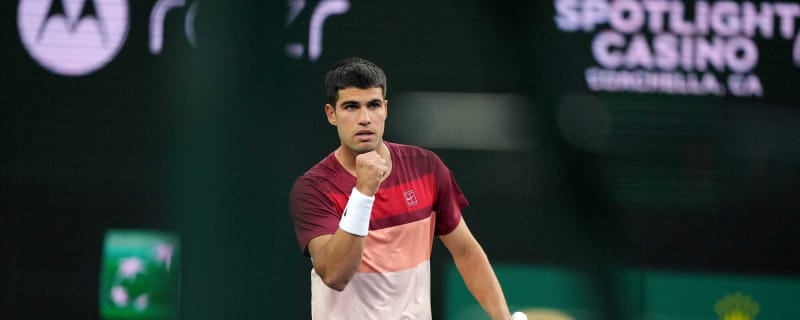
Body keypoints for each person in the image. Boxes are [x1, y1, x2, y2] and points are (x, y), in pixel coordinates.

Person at [289, 57, 515, 319]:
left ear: (385, 109)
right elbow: (334, 274)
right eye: (351, 107)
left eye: (373, 105)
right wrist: (363, 192)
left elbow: (466, 251)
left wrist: (503, 318)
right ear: (332, 114)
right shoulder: (313, 188)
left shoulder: (426, 167)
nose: (364, 118)